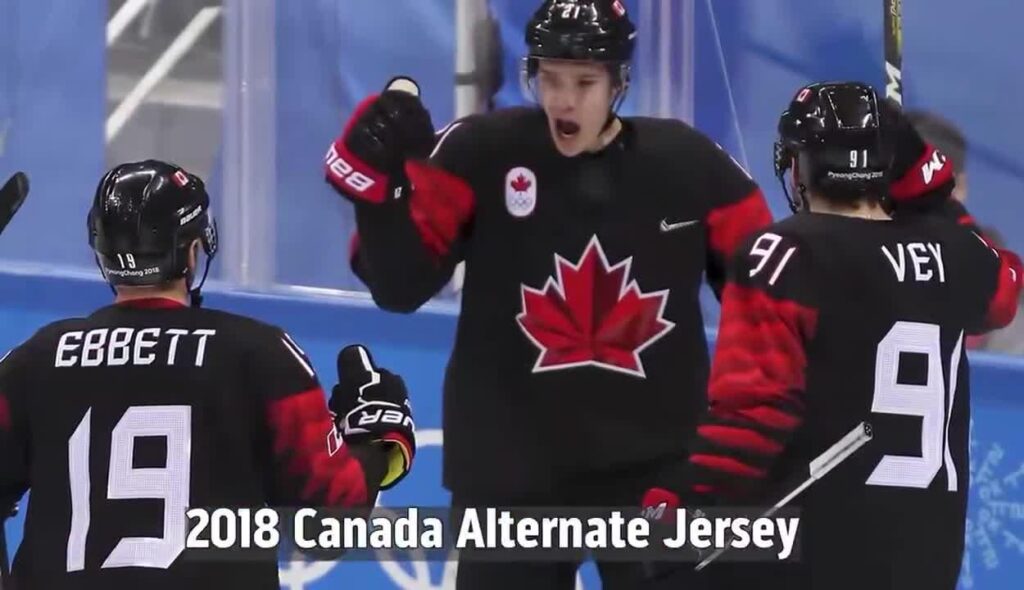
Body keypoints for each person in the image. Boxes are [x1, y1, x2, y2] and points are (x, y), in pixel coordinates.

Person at [323, 0, 771, 587]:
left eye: (584, 82)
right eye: (550, 79)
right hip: (509, 474)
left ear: (619, 82)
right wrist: (377, 196)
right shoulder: (476, 153)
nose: (564, 99)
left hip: (656, 472)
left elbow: (770, 291)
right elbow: (399, 288)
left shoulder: (687, 166)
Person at [641, 82, 1022, 589]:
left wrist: (675, 508)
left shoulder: (784, 255)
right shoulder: (958, 252)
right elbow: (1005, 291)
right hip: (926, 562)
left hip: (814, 557)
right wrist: (930, 187)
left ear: (800, 168)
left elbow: (752, 420)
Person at [0, 160, 415, 589]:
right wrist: (379, 444)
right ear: (193, 251)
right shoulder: (259, 354)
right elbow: (332, 516)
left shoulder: (36, 359)